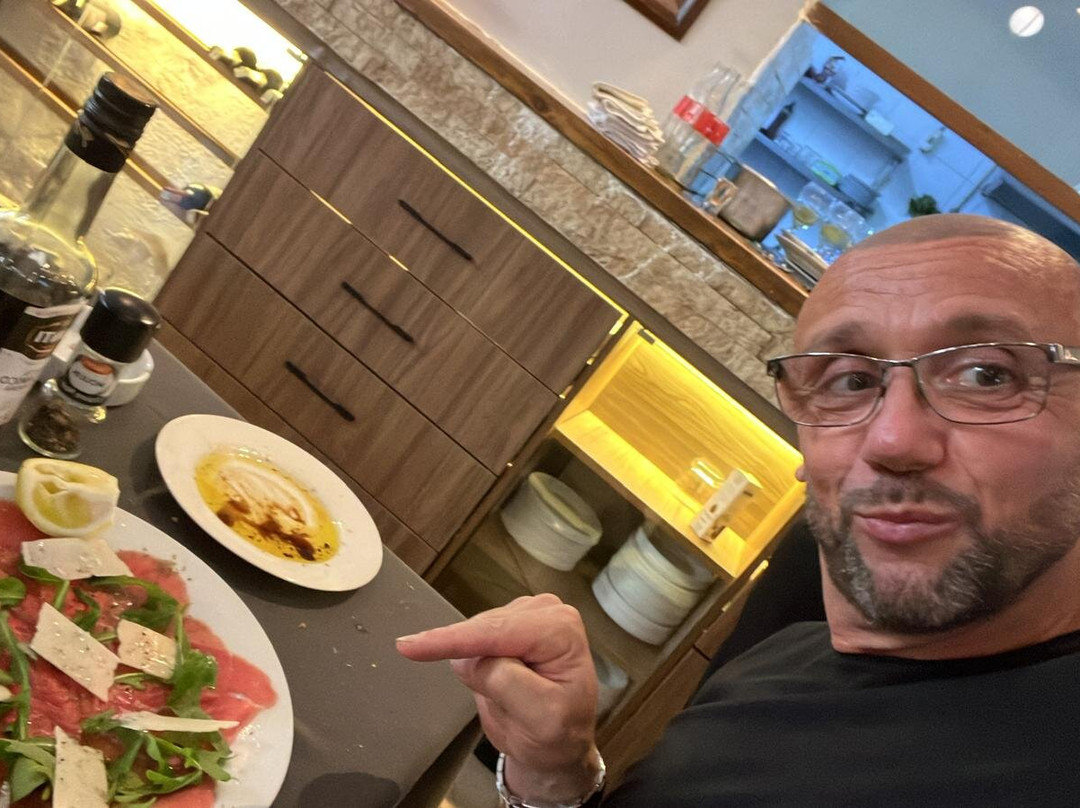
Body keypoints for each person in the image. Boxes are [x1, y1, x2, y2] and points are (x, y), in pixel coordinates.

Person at [397, 214, 1080, 805]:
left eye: (987, 375)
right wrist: (556, 775)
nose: (892, 440)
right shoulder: (792, 644)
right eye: (850, 380)